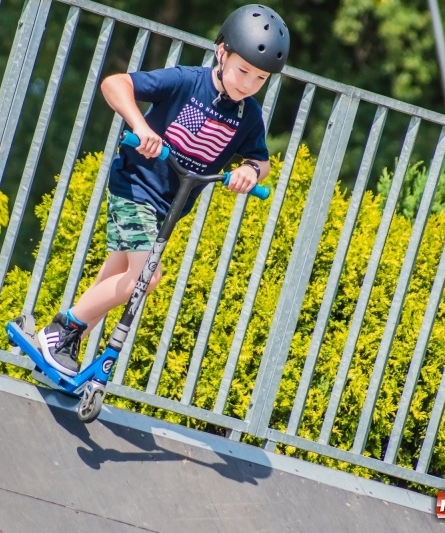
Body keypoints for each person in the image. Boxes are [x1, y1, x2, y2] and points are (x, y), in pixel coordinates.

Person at [36, 4, 290, 378]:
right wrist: (140, 126)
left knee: (118, 272)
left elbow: (260, 159)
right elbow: (115, 84)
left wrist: (250, 172)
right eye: (243, 72)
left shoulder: (248, 115)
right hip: (135, 185)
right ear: (222, 52)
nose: (248, 85)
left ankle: (59, 354)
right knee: (145, 278)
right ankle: (60, 332)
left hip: (168, 207)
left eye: (259, 79)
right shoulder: (186, 81)